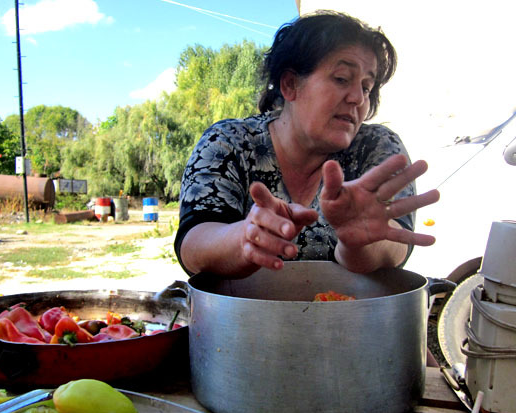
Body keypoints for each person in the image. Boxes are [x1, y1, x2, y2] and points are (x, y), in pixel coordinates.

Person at [174, 10, 440, 278]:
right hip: (239, 307)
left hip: (350, 307)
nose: (358, 98)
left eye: (367, 87)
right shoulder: (228, 142)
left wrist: (359, 243)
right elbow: (193, 245)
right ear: (290, 85)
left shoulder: (376, 147)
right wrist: (244, 238)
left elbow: (395, 244)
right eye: (342, 79)